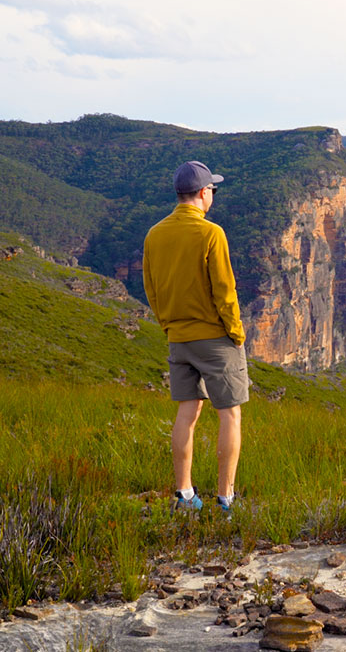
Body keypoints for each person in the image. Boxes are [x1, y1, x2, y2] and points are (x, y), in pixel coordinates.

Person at [142, 160, 248, 514]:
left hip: (178, 338)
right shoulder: (210, 233)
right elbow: (224, 290)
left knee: (187, 413)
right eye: (212, 191)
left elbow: (151, 289)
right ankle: (226, 499)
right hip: (215, 338)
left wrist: (169, 326)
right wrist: (236, 332)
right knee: (229, 415)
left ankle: (185, 495)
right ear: (204, 193)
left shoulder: (155, 234)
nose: (212, 196)